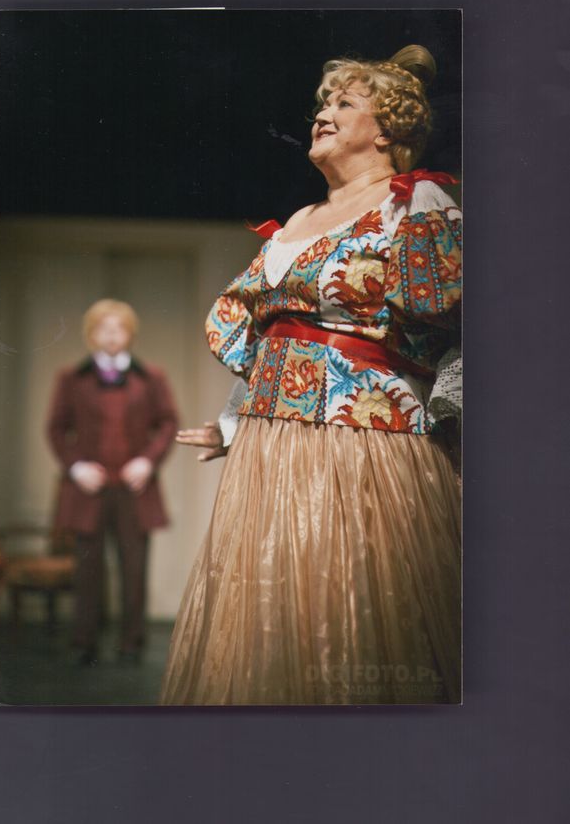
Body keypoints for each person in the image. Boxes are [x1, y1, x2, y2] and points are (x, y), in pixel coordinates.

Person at [160, 45, 461, 705]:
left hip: (364, 440)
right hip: (272, 445)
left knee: (352, 605)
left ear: (386, 129)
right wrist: (232, 423)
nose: (322, 115)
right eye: (323, 104)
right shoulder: (297, 221)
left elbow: (468, 324)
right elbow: (274, 337)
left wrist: (453, 417)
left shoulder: (416, 201)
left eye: (343, 104)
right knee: (275, 610)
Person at [47, 299, 178, 665]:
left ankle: (131, 643)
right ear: (90, 334)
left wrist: (147, 462)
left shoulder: (151, 378)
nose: (111, 335)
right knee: (87, 570)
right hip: (89, 489)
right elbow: (56, 428)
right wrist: (77, 467)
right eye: (103, 328)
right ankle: (84, 642)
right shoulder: (72, 379)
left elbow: (168, 423)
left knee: (134, 568)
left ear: (130, 334)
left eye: (119, 328)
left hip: (135, 488)